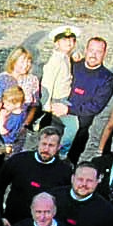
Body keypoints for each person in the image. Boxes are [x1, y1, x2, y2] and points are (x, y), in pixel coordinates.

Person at [66, 36, 113, 164]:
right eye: (91, 50)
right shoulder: (73, 66)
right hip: (59, 121)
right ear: (86, 50)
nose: (94, 55)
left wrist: (68, 109)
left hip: (80, 129)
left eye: (98, 52)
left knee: (69, 164)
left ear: (105, 54)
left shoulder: (107, 78)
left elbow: (95, 106)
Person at [38, 25, 80, 154]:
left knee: (56, 129)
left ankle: (52, 150)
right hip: (58, 100)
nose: (69, 43)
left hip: (64, 98)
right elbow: (47, 83)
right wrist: (46, 104)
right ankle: (62, 151)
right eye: (64, 40)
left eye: (72, 40)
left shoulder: (65, 57)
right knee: (73, 127)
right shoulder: (55, 60)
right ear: (56, 43)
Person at [0, 47, 41, 130]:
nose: (25, 65)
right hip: (5, 123)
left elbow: (34, 105)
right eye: (22, 61)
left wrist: (25, 124)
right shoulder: (1, 79)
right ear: (13, 62)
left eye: (28, 61)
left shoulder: (33, 80)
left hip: (25, 123)